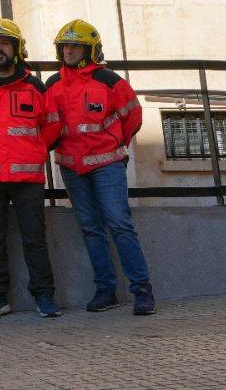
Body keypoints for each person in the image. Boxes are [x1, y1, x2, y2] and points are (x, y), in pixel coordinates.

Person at [46, 19, 154, 315]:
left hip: (107, 165)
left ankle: (142, 289)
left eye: (75, 46)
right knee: (91, 228)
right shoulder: (53, 84)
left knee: (119, 224)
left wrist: (116, 144)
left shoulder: (109, 80)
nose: (69, 51)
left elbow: (133, 116)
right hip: (72, 167)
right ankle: (105, 290)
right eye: (65, 46)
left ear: (90, 50)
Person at [0, 18, 60, 319]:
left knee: (35, 239)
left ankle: (44, 295)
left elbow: (53, 124)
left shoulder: (34, 86)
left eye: (5, 43)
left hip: (27, 176)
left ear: (17, 49)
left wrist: (35, 151)